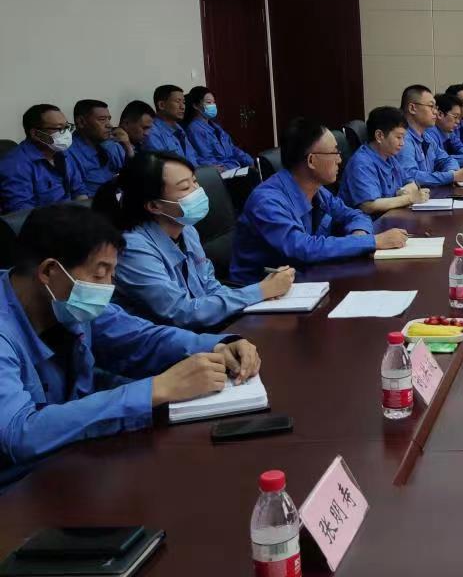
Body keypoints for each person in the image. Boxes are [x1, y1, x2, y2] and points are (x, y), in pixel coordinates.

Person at [0, 204, 260, 486]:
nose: (107, 287)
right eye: (99, 275)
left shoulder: (65, 301)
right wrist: (155, 390)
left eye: (112, 274)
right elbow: (20, 434)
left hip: (76, 460)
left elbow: (141, 338)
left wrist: (218, 345)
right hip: (20, 491)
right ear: (49, 271)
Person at [96, 152, 296, 330]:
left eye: (195, 181)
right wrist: (259, 291)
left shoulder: (187, 230)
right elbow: (180, 312)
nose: (198, 190)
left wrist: (260, 296)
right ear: (154, 206)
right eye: (185, 187)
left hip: (203, 328)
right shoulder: (133, 249)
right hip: (168, 343)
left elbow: (210, 287)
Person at [231, 117, 409, 283]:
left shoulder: (317, 190)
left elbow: (355, 214)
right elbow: (303, 248)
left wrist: (360, 236)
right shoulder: (267, 201)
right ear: (311, 160)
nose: (340, 159)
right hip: (263, 293)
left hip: (308, 278)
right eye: (335, 152)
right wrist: (373, 241)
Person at [0, 105, 89, 213]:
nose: (66, 133)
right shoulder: (15, 165)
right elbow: (22, 212)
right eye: (59, 128)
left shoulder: (63, 153)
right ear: (36, 133)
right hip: (42, 221)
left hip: (71, 216)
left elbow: (79, 190)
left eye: (67, 127)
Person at [338, 107, 425, 214]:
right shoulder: (361, 163)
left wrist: (402, 193)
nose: (402, 143)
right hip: (368, 222)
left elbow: (412, 183)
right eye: (398, 137)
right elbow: (369, 205)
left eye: (403, 138)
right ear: (379, 136)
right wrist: (409, 198)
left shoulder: (390, 157)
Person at [397, 85, 463, 187]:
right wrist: (452, 176)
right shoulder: (403, 138)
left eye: (435, 107)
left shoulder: (425, 136)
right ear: (412, 108)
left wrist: (453, 172)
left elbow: (447, 159)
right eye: (431, 106)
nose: (435, 112)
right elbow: (410, 176)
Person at [67, 100, 129, 197]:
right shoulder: (69, 153)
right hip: (95, 203)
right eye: (102, 119)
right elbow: (79, 195)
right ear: (81, 122)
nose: (109, 125)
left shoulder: (110, 144)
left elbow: (132, 174)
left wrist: (127, 146)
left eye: (109, 119)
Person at [182, 86, 254, 170]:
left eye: (214, 102)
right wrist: (231, 167)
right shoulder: (195, 129)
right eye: (209, 102)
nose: (213, 105)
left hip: (233, 166)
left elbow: (232, 148)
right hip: (223, 171)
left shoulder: (215, 126)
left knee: (261, 164)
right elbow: (207, 158)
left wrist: (248, 160)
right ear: (196, 105)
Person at [142, 85, 200, 165]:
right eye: (178, 101)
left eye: (183, 102)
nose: (182, 107)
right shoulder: (152, 132)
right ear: (161, 105)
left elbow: (194, 158)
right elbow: (161, 166)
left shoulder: (179, 129)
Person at [428, 92, 463, 167]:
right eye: (455, 117)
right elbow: (439, 162)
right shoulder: (430, 134)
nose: (458, 122)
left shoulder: (448, 131)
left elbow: (460, 148)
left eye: (459, 118)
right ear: (440, 114)